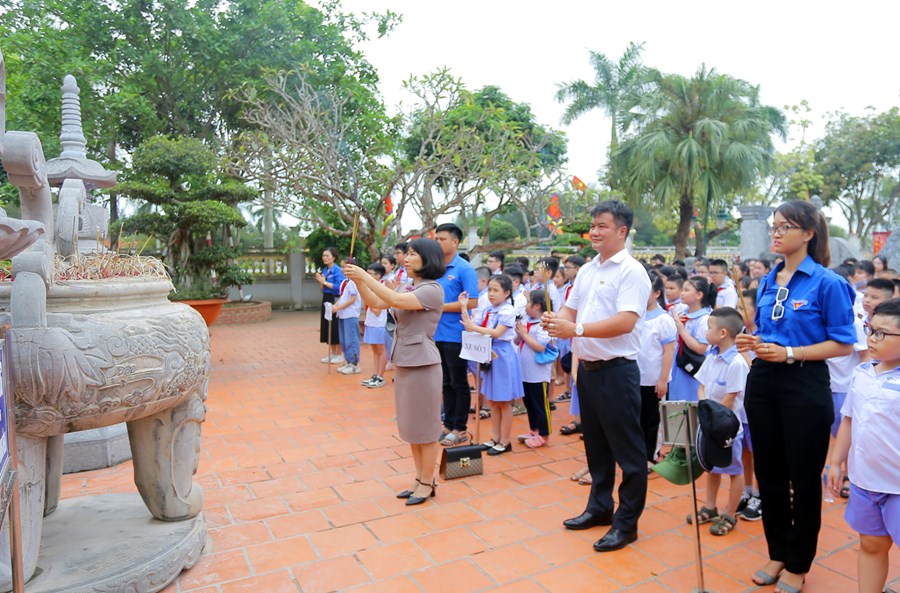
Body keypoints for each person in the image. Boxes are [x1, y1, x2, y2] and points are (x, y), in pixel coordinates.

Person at [736, 200, 856, 593]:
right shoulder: (768, 280)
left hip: (804, 382)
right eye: (773, 226)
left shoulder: (828, 283)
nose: (776, 233)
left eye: (784, 227)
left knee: (803, 479)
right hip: (763, 380)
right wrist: (751, 342)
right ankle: (777, 552)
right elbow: (768, 331)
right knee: (770, 474)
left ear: (808, 233)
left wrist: (790, 353)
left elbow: (843, 343)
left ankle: (798, 563)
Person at [543, 200, 651, 553]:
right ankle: (600, 507)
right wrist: (557, 321)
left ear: (622, 230)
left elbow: (626, 321)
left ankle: (627, 523)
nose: (594, 231)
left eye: (603, 225)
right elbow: (570, 309)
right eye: (593, 225)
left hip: (617, 370)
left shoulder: (631, 271)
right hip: (588, 370)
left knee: (628, 452)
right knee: (596, 446)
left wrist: (575, 329)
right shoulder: (588, 269)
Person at [343, 239, 446, 506]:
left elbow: (394, 299)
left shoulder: (432, 289)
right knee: (412, 427)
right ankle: (420, 478)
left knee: (426, 428)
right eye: (407, 254)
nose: (406, 259)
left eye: (413, 254)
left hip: (423, 364)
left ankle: (428, 481)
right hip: (405, 362)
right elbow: (376, 303)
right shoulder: (409, 286)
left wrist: (364, 275)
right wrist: (359, 282)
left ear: (428, 258)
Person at [827, 298, 900, 593]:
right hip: (865, 480)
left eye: (882, 333)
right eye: (871, 329)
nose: (872, 338)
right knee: (871, 543)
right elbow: (849, 419)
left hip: (897, 485)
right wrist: (836, 462)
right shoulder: (863, 372)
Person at [690, 307, 750, 536]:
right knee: (712, 466)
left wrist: (712, 418)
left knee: (734, 470)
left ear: (723, 333)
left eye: (709, 327)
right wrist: (705, 411)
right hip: (710, 426)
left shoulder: (736, 363)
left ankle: (730, 514)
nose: (706, 331)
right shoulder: (712, 356)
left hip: (727, 429)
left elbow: (730, 399)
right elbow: (702, 386)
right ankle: (710, 506)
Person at [459, 274, 523, 455]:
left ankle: (505, 440)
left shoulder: (508, 311)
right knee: (493, 401)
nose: (491, 294)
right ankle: (495, 437)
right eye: (489, 290)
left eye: (496, 290)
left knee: (504, 401)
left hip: (502, 356)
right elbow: (470, 326)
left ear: (507, 293)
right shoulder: (488, 309)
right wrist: (464, 306)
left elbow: (496, 333)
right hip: (489, 354)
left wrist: (473, 327)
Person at [434, 223, 479, 447]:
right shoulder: (435, 267)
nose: (438, 243)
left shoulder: (464, 269)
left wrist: (439, 307)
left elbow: (472, 302)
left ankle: (460, 428)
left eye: (442, 239)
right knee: (445, 381)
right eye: (436, 239)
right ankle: (447, 423)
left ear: (455, 242)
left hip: (456, 334)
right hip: (437, 334)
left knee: (458, 382)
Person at [637, 270, 677, 465]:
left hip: (654, 379)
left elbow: (669, 351)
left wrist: (662, 380)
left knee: (653, 419)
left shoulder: (664, 320)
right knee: (638, 418)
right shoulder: (635, 315)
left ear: (657, 293)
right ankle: (638, 454)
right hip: (635, 377)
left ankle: (650, 456)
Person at [514, 290, 554, 449]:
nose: (526, 305)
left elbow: (540, 347)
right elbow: (517, 342)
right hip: (525, 371)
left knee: (540, 404)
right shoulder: (527, 321)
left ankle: (544, 434)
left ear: (537, 306)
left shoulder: (545, 324)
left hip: (538, 373)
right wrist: (520, 333)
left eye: (528, 302)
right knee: (529, 403)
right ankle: (534, 430)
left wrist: (524, 334)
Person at [669, 276, 717, 401]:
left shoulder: (704, 319)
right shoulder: (682, 312)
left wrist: (681, 329)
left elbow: (701, 348)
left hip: (694, 365)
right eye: (682, 290)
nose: (682, 293)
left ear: (699, 295)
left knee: (691, 400)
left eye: (686, 290)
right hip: (679, 363)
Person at [361, 263, 388, 388]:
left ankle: (380, 376)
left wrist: (369, 300)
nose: (367, 276)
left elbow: (377, 310)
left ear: (378, 275)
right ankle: (375, 375)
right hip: (370, 322)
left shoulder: (381, 288)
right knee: (374, 350)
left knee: (381, 349)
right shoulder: (370, 288)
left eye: (370, 274)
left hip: (379, 323)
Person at [314, 246, 344, 363]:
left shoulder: (338, 270)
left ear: (334, 257)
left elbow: (338, 287)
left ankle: (339, 354)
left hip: (334, 298)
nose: (324, 258)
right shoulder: (325, 270)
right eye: (323, 256)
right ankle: (332, 353)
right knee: (328, 324)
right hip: (326, 298)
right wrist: (321, 282)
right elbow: (322, 288)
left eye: (327, 256)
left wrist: (325, 282)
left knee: (335, 325)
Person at [332, 258, 361, 375]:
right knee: (344, 340)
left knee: (351, 339)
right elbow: (343, 296)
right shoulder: (345, 281)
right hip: (342, 314)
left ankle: (354, 364)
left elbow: (353, 299)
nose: (342, 269)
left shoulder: (353, 281)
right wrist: (336, 305)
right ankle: (348, 361)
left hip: (350, 314)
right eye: (342, 266)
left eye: (344, 266)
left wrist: (339, 308)